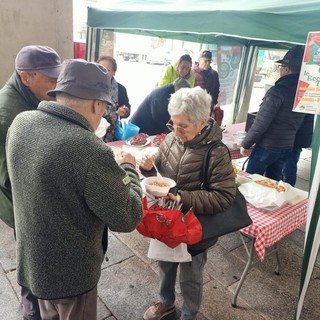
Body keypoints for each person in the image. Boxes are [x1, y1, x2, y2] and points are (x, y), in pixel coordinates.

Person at [6, 59, 143, 320]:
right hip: (71, 277)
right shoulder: (88, 149)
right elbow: (128, 216)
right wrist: (128, 170)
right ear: (97, 104)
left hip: (33, 261)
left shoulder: (21, 123)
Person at [140, 86, 236, 320]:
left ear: (202, 123)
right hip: (169, 220)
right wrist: (148, 168)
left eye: (183, 126)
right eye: (173, 123)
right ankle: (166, 303)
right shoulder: (172, 139)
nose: (176, 130)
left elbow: (224, 196)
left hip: (195, 227)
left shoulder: (217, 152)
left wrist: (183, 197)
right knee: (165, 264)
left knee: (191, 276)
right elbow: (161, 172)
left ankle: (189, 314)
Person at [0, 45, 62, 320]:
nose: (57, 85)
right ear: (26, 77)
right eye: (51, 79)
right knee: (30, 260)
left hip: (33, 198)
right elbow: (6, 173)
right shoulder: (8, 112)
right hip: (20, 200)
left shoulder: (32, 96)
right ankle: (32, 312)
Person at [240, 45, 307, 182]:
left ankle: (246, 204)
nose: (280, 70)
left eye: (281, 67)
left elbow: (261, 122)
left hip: (267, 146)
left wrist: (246, 144)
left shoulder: (277, 91)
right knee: (273, 182)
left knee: (250, 181)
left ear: (286, 69)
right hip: (287, 146)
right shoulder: (304, 93)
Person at [97, 55, 131, 141]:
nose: (103, 72)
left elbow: (127, 110)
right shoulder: (91, 87)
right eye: (100, 68)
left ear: (114, 72)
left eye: (107, 70)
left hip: (111, 134)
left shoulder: (121, 89)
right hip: (94, 131)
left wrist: (123, 110)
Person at [282, 113, 314, 186]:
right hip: (298, 137)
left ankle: (288, 187)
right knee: (290, 164)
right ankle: (288, 187)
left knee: (288, 165)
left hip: (293, 137)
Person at [192, 50, 222, 124]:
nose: (208, 63)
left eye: (209, 61)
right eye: (205, 61)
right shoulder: (191, 72)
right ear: (199, 60)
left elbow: (216, 90)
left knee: (205, 125)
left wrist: (214, 102)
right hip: (194, 107)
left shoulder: (214, 74)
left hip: (209, 107)